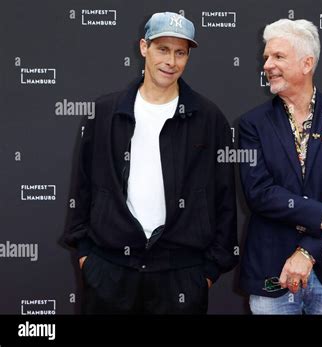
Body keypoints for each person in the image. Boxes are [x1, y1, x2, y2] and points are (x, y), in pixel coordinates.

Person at [62, 12, 238, 314]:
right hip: (109, 271)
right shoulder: (105, 113)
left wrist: (207, 273)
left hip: (181, 277)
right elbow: (83, 186)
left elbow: (224, 198)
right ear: (144, 47)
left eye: (180, 52)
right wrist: (86, 256)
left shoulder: (209, 119)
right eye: (163, 49)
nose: (171, 61)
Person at [238, 18, 322, 314]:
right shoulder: (252, 124)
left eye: (278, 56)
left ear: (307, 63)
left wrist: (307, 253)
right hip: (271, 271)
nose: (267, 65)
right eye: (266, 57)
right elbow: (259, 193)